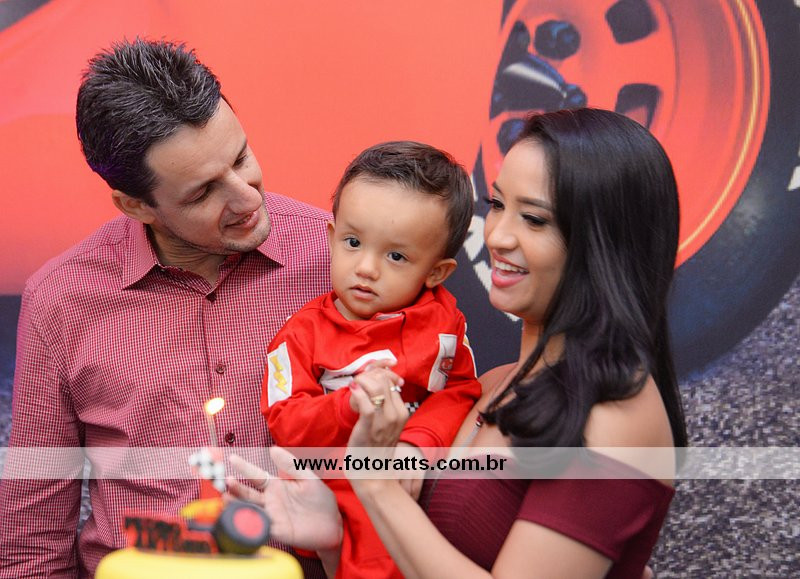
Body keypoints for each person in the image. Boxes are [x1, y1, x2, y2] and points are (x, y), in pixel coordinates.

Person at [227, 108, 689, 578]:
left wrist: (376, 485)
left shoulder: (615, 414)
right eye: (497, 204)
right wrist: (337, 541)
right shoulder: (487, 385)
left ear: (604, 242)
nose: (497, 235)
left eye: (533, 219)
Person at [0, 39, 331, 578]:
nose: (247, 197)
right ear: (136, 205)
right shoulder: (61, 300)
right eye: (202, 193)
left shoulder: (338, 261)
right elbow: (30, 541)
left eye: (241, 157)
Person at [263, 141, 482, 578]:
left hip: (421, 478)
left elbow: (460, 391)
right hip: (337, 489)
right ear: (331, 237)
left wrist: (416, 444)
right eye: (353, 242)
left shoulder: (445, 322)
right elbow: (285, 421)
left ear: (436, 272)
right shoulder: (300, 334)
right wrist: (349, 405)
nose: (366, 267)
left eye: (396, 256)